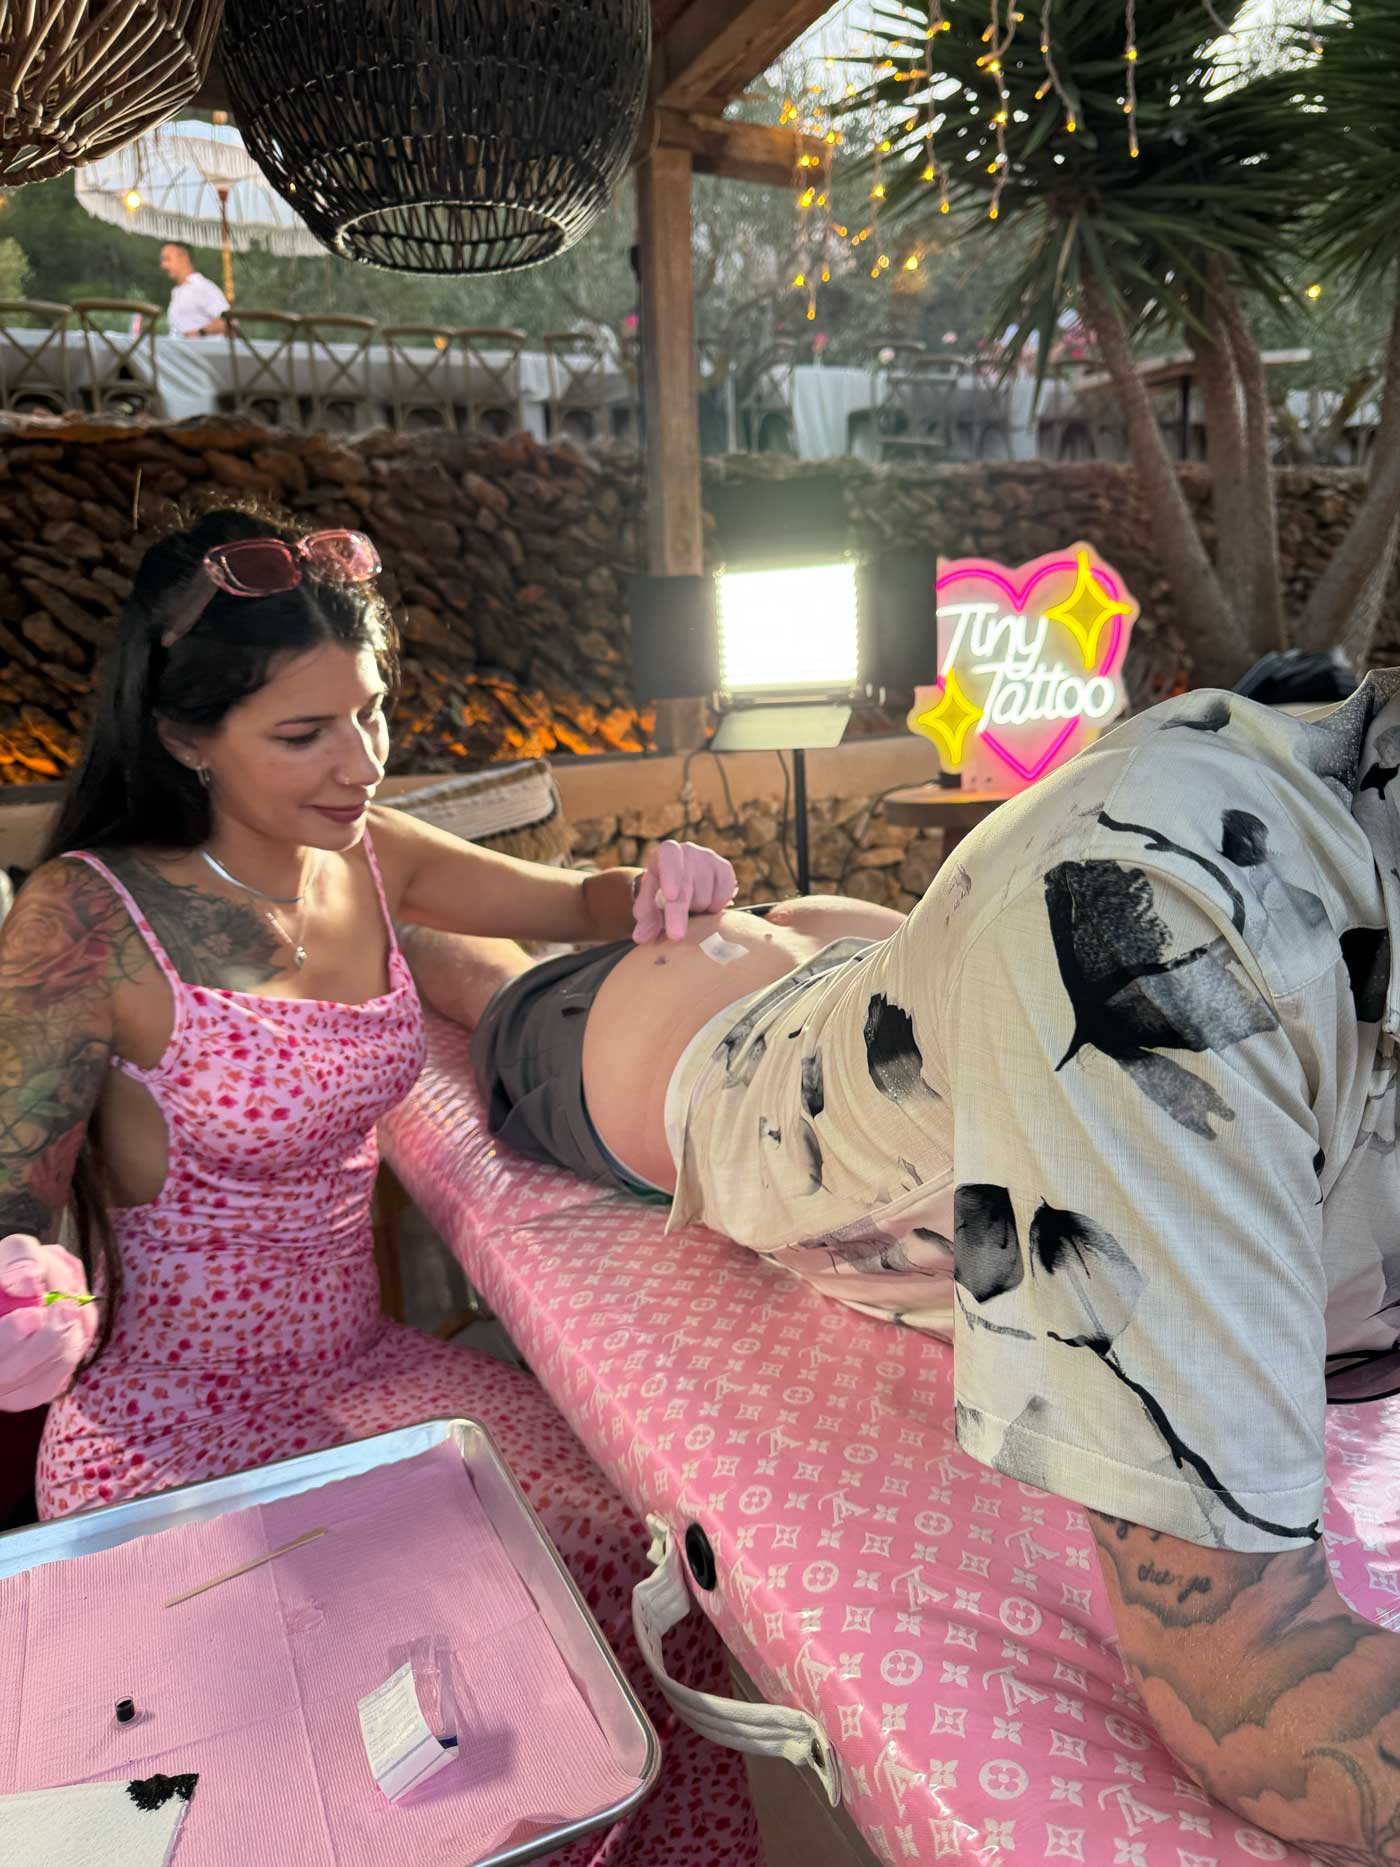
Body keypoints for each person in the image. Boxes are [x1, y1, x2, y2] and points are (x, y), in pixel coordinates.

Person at [407, 668, 1400, 1862]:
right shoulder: (1154, 930)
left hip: (838, 972)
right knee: (487, 983)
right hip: (677, 1037)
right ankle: (383, 924)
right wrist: (365, 903)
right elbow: (1251, 1695)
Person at [0, 507, 760, 1866]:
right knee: (408, 1707)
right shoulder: (87, 914)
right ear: (182, 735)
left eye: (370, 712)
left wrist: (666, 878)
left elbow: (576, 900)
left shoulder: (365, 850)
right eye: (305, 734)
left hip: (358, 1374)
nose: (360, 762)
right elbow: (13, 1184)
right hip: (173, 1431)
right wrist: (21, 1280)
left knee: (643, 1556)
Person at [159, 243, 229, 339]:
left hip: (201, 348)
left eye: (167, 259)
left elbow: (229, 321)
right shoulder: (177, 291)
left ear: (183, 258)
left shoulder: (202, 287)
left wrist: (200, 332)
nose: (163, 265)